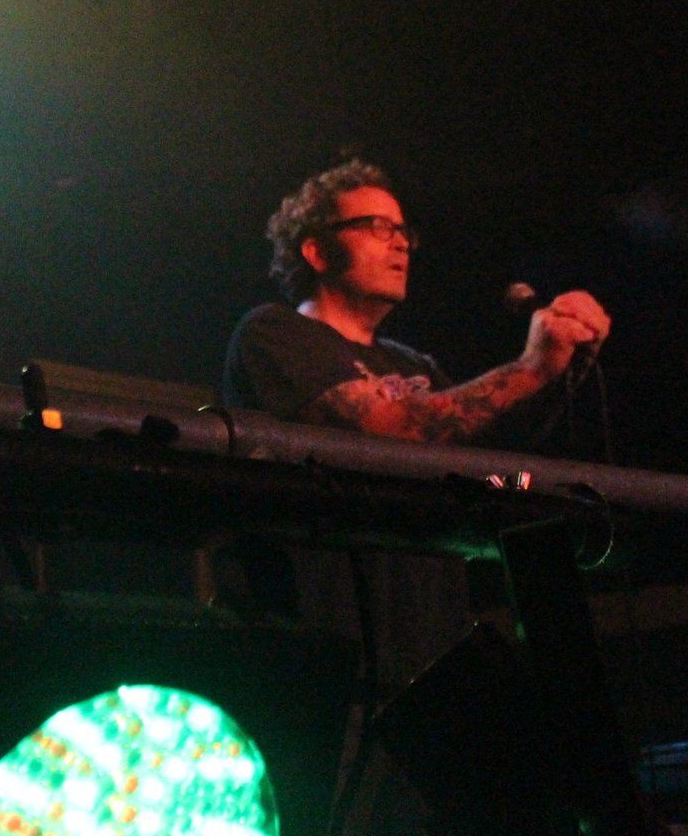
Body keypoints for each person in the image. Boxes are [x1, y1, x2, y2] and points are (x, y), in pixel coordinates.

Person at [220, 154, 610, 681]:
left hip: (432, 639)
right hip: (324, 644)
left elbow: (493, 464)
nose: (400, 243)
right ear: (315, 250)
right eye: (376, 227)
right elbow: (388, 430)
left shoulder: (414, 364)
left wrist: (566, 364)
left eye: (403, 231)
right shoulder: (273, 333)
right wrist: (532, 368)